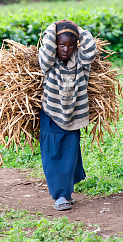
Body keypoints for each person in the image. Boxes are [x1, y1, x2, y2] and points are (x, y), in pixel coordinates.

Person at [38, 19, 97, 211]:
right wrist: (52, 29)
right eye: (61, 44)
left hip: (73, 118)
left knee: (70, 156)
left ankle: (66, 193)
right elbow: (45, 53)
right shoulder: (50, 63)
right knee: (53, 156)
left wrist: (77, 28)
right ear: (54, 44)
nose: (66, 49)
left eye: (71, 45)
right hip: (51, 116)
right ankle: (59, 196)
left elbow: (91, 49)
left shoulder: (81, 62)